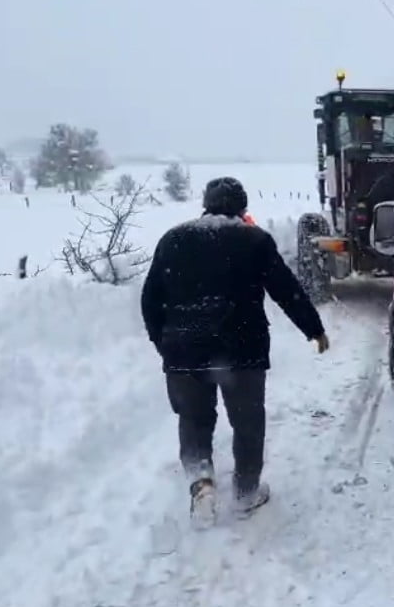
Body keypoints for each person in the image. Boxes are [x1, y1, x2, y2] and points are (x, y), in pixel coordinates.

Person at [141, 176, 330, 521]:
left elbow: (150, 299)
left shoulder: (173, 239)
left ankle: (201, 481)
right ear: (242, 207)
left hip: (183, 350)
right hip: (241, 349)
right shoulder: (253, 240)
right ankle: (245, 491)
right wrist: (313, 329)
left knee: (194, 419)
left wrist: (162, 342)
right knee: (247, 421)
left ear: (206, 204)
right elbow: (285, 290)